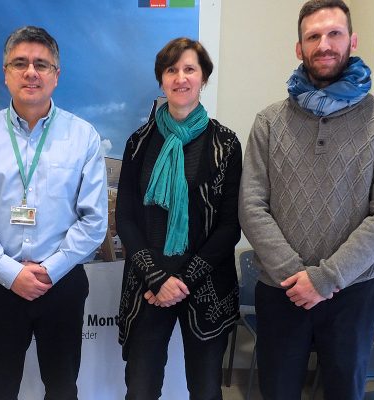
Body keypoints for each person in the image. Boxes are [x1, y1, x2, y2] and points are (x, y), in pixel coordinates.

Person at [239, 1, 374, 398]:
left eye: (334, 34)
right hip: (281, 291)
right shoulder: (269, 122)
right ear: (300, 48)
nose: (324, 44)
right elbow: (251, 206)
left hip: (353, 294)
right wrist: (297, 276)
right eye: (313, 36)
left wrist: (324, 279)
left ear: (352, 41)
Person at [0, 26, 108, 399]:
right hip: (0, 284)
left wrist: (50, 269)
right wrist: (11, 273)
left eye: (42, 64)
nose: (31, 72)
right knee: (1, 387)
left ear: (56, 75)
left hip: (62, 284)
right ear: (5, 73)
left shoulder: (83, 136)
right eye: (20, 63)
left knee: (62, 386)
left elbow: (94, 220)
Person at [116, 37, 241, 400]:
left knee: (205, 390)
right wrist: (158, 278)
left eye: (189, 69)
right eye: (172, 70)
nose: (180, 77)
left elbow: (230, 226)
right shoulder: (139, 142)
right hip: (148, 283)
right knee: (140, 389)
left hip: (205, 283)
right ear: (161, 80)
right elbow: (125, 218)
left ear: (204, 78)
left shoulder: (226, 144)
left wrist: (182, 280)